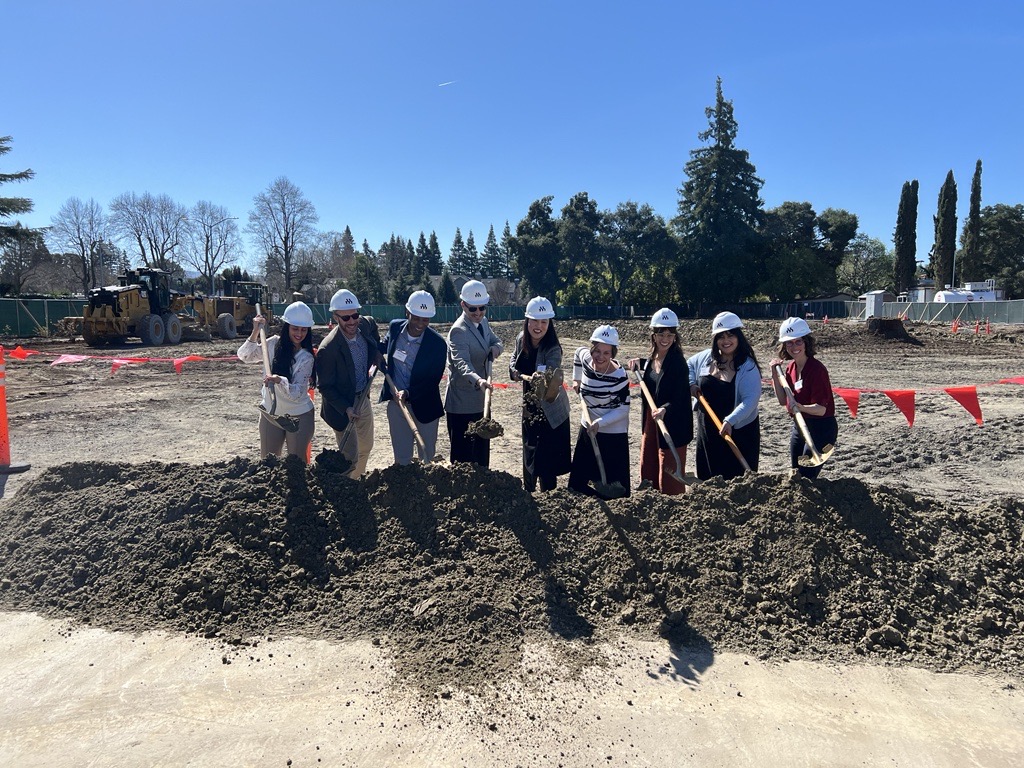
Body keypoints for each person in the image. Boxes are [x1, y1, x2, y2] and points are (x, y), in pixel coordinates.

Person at [236, 301, 316, 461]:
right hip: (270, 413)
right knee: (268, 464)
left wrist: (280, 381)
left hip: (298, 415)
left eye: (303, 329)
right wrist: (255, 332)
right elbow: (245, 356)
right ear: (287, 327)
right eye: (295, 328)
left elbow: (298, 393)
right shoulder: (272, 344)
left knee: (296, 466)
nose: (299, 333)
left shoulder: (306, 357)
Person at [315, 288, 382, 478]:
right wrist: (346, 408)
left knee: (367, 445)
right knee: (349, 456)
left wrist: (376, 351)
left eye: (355, 315)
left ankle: (357, 482)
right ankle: (348, 487)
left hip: (362, 396)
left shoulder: (365, 325)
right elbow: (325, 387)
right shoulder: (328, 349)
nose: (352, 321)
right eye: (346, 318)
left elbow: (374, 329)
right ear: (336, 317)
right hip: (342, 405)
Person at [688, 312, 762, 480]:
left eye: (730, 335)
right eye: (721, 336)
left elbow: (751, 400)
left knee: (735, 479)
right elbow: (689, 365)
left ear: (738, 337)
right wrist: (692, 383)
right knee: (709, 476)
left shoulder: (747, 366)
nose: (726, 341)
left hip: (738, 431)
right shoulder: (707, 357)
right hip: (708, 429)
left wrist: (730, 420)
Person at [627, 308, 693, 495]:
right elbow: (651, 372)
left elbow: (681, 396)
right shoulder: (652, 359)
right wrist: (637, 362)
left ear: (675, 336)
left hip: (672, 421)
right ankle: (650, 498)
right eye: (661, 333)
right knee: (649, 460)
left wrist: (665, 409)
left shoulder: (678, 363)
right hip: (652, 419)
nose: (666, 338)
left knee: (668, 467)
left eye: (670, 334)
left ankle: (672, 503)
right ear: (653, 335)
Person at [508, 296, 571, 492]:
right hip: (530, 406)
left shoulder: (553, 348)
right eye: (534, 320)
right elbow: (512, 361)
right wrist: (514, 372)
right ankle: (528, 492)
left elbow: (551, 374)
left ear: (549, 323)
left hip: (550, 410)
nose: (539, 326)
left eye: (544, 322)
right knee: (529, 450)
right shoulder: (521, 339)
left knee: (546, 458)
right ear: (527, 320)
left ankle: (548, 496)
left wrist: (541, 377)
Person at [379, 290, 447, 465]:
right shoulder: (395, 328)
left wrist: (408, 393)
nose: (420, 323)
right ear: (407, 312)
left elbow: (432, 381)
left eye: (425, 319)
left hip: (425, 407)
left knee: (427, 456)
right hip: (397, 406)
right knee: (402, 458)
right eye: (416, 318)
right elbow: (384, 346)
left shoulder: (437, 344)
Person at [769, 317, 838, 480]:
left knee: (806, 475)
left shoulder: (817, 370)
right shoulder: (791, 368)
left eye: (798, 342)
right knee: (795, 472)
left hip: (821, 428)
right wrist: (774, 373)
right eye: (789, 343)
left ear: (806, 342)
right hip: (800, 426)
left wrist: (801, 407)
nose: (794, 347)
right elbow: (781, 399)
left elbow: (821, 410)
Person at [445, 279, 503, 467]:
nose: (478, 313)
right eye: (472, 309)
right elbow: (462, 364)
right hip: (462, 403)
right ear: (463, 305)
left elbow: (497, 341)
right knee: (463, 458)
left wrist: (495, 349)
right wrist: (479, 381)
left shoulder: (483, 322)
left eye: (482, 308)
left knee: (480, 453)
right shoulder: (458, 331)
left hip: (481, 400)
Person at [568, 324, 631, 496]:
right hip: (587, 426)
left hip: (612, 432)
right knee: (578, 485)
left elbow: (623, 410)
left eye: (606, 353)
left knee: (615, 490)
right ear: (592, 349)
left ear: (613, 354)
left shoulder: (619, 377)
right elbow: (577, 354)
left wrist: (600, 423)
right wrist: (577, 379)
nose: (600, 357)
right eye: (597, 351)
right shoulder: (586, 359)